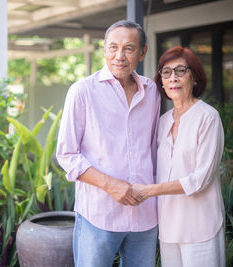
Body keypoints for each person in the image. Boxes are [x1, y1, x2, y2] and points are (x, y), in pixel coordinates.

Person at [56, 20, 160, 267]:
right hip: (99, 214)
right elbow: (67, 154)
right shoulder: (82, 91)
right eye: (113, 47)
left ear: (143, 52)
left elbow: (153, 149)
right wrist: (111, 185)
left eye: (129, 48)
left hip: (145, 215)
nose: (119, 56)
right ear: (103, 49)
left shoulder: (152, 91)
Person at [133, 46, 225, 267]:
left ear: (194, 77)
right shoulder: (162, 121)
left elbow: (200, 179)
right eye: (166, 72)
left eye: (180, 71)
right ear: (162, 82)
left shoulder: (208, 117)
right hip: (168, 227)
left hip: (200, 225)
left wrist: (150, 190)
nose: (172, 78)